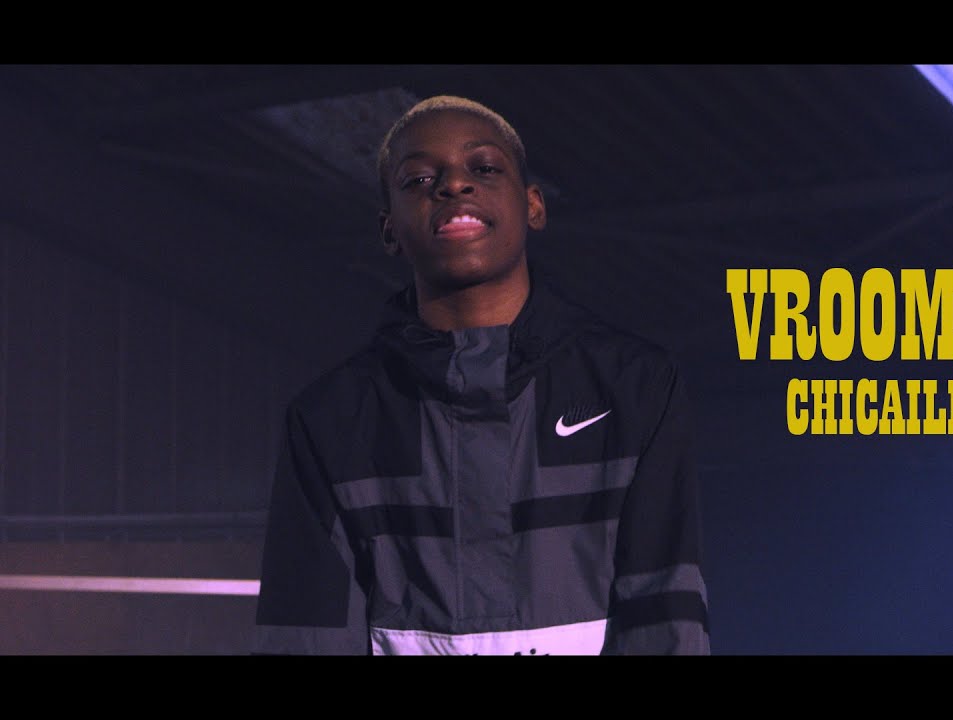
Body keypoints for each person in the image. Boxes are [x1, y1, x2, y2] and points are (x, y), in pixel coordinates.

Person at [252, 95, 709, 655]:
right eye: (419, 179)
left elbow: (665, 617)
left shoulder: (634, 386)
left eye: (485, 168)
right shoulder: (329, 419)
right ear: (389, 229)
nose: (453, 185)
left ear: (533, 205)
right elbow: (305, 634)